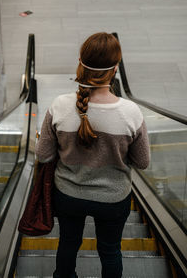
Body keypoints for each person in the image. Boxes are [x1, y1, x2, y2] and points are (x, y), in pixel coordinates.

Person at [36, 32, 150, 278]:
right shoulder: (131, 113)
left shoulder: (58, 106)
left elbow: (43, 156)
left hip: (68, 195)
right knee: (110, 251)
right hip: (113, 198)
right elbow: (142, 162)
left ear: (80, 62)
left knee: (68, 243)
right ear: (116, 68)